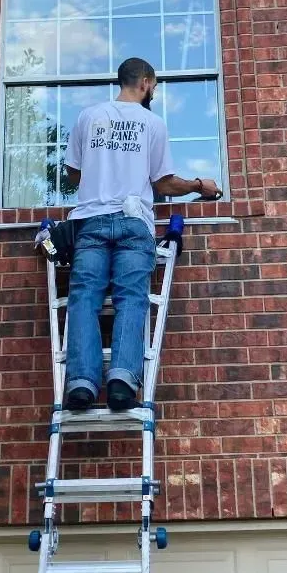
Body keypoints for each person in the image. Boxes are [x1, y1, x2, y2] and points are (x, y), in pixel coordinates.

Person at [63, 57, 221, 412]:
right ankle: (121, 381)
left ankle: (82, 383)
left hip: (92, 221)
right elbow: (163, 182)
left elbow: (73, 176)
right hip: (135, 223)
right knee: (131, 298)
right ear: (146, 82)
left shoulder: (89, 117)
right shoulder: (152, 123)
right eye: (155, 86)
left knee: (84, 298)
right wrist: (200, 185)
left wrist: (102, 166)